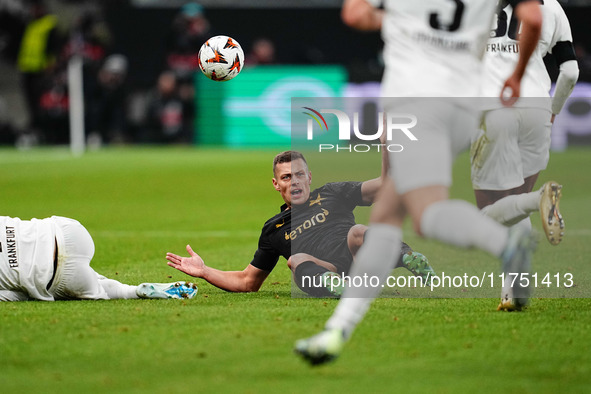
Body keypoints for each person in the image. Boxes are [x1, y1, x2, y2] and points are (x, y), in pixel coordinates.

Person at [294, 0, 542, 365]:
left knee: (425, 214)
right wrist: (518, 74)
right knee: (385, 218)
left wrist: (392, 20)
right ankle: (337, 331)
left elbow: (355, 14)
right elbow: (533, 17)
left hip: (416, 102)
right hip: (464, 106)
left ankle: (506, 243)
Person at [166, 150, 435, 297]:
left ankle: (409, 258)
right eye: (286, 177)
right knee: (296, 259)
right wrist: (205, 271)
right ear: (276, 184)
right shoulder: (273, 229)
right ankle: (338, 287)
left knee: (358, 232)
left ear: (309, 177)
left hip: (358, 260)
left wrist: (387, 145)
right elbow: (248, 281)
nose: (294, 181)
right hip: (325, 272)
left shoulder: (332, 192)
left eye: (299, 174)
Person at [471, 0, 578, 246]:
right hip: (537, 109)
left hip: (493, 107)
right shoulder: (552, 6)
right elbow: (571, 72)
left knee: (490, 211)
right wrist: (554, 110)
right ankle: (514, 284)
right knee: (516, 201)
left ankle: (539, 199)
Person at [0, 215, 197, 301]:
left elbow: (16, 296)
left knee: (39, 283)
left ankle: (133, 291)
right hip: (69, 232)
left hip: (57, 277)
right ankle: (119, 285)